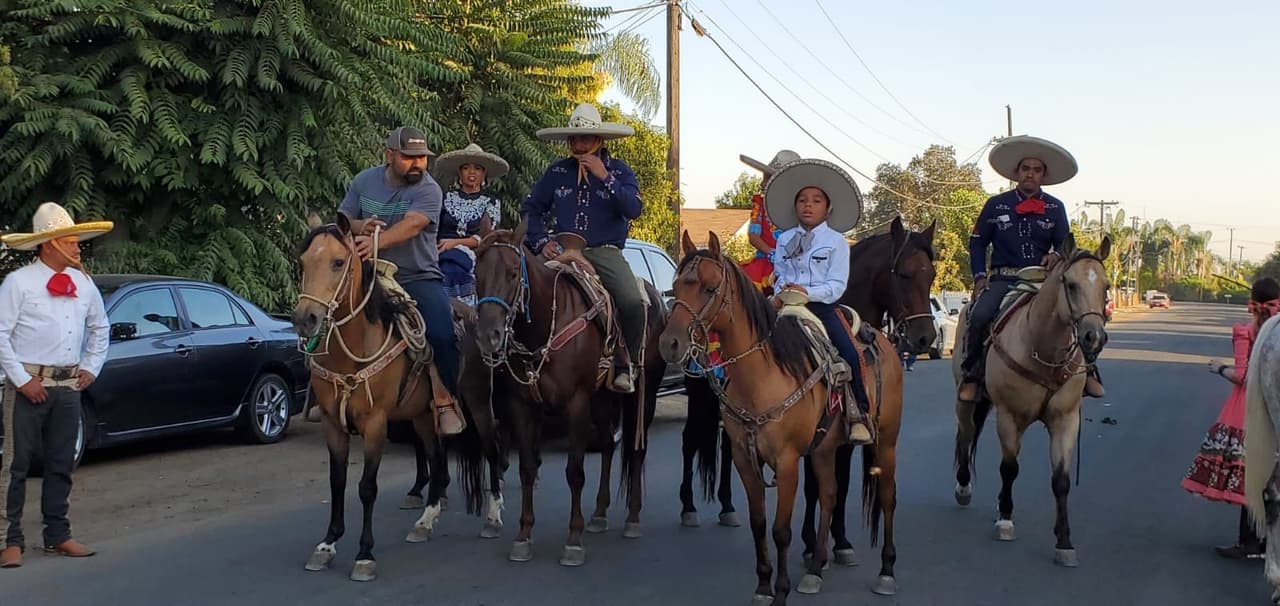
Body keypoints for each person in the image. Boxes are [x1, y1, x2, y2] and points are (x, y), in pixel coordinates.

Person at [0, 202, 112, 569]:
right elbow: (0, 335)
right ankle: (8, 540)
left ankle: (57, 534)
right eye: (71, 241)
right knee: (16, 466)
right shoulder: (18, 282)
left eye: (78, 241)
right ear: (49, 245)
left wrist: (92, 366)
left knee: (61, 463)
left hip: (68, 386)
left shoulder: (83, 283)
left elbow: (101, 327)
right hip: (28, 385)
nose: (78, 247)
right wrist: (22, 379)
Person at [338, 126, 465, 435]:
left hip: (416, 276)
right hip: (369, 273)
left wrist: (376, 242)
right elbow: (342, 221)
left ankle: (446, 399)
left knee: (443, 334)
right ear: (390, 155)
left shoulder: (429, 189)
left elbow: (413, 225)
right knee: (328, 316)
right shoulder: (363, 181)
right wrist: (360, 225)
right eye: (409, 158)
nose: (418, 164)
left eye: (422, 157)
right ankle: (326, 394)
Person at [958, 135, 1105, 402]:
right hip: (1005, 278)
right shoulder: (996, 204)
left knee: (1075, 314)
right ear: (1017, 173)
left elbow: (1065, 247)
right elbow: (977, 243)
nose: (1030, 174)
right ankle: (972, 375)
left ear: (1043, 175)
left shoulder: (1055, 207)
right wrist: (980, 277)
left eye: (1036, 170)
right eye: (1026, 169)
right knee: (979, 316)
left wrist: (1055, 255)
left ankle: (1089, 372)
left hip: (1042, 280)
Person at [522, 102, 644, 393]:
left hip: (603, 251)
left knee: (631, 301)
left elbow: (634, 208)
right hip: (561, 250)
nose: (578, 145)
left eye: (585, 139)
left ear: (600, 141)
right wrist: (542, 242)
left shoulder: (620, 171)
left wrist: (605, 176)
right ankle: (519, 359)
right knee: (523, 292)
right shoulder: (556, 172)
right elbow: (531, 210)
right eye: (574, 140)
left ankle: (628, 362)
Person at [766, 157, 873, 445]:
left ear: (828, 208)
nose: (807, 205)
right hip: (784, 305)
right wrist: (780, 292)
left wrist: (806, 293)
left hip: (820, 306)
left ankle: (858, 414)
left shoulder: (836, 242)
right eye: (802, 200)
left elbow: (836, 285)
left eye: (815, 200)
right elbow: (779, 273)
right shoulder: (784, 238)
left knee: (849, 353)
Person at [1182, 276, 1280, 559]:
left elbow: (1244, 377)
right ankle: (1265, 543)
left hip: (1248, 410)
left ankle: (1249, 542)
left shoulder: (1245, 332)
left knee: (1249, 474)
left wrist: (1220, 368)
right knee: (1270, 476)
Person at [432, 143, 509, 306]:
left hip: (475, 253)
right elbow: (433, 228)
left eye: (478, 168)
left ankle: (464, 307)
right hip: (439, 250)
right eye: (466, 168)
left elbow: (487, 237)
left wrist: (455, 243)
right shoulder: (445, 198)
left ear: (484, 174)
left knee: (453, 266)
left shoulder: (491, 202)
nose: (471, 173)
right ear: (460, 172)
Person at [737, 150, 800, 296]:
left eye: (767, 178)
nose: (762, 183)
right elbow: (753, 235)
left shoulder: (800, 206)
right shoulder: (760, 205)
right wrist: (771, 252)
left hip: (794, 264)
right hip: (764, 262)